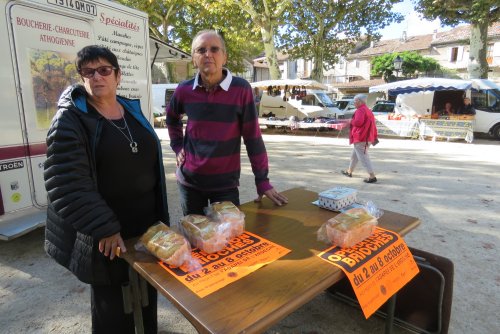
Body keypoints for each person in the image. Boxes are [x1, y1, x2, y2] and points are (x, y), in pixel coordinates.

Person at [44, 45, 169, 333]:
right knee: (112, 306)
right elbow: (65, 183)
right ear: (81, 78)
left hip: (146, 225)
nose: (97, 77)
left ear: (118, 75)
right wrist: (104, 227)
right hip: (105, 231)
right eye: (88, 72)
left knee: (148, 292)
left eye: (104, 70)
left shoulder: (131, 110)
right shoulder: (70, 120)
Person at [166, 30, 288, 215]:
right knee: (194, 239)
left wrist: (262, 180)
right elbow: (172, 118)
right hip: (189, 183)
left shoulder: (241, 89)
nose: (208, 54)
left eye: (214, 49)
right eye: (201, 50)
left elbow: (252, 138)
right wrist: (177, 146)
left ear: (224, 57)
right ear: (193, 59)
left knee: (229, 239)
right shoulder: (184, 90)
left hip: (225, 186)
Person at [341, 94, 378, 183]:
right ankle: (349, 171)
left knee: (363, 158)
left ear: (360, 101)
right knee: (354, 156)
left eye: (355, 101)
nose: (354, 102)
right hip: (366, 137)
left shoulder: (360, 110)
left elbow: (358, 122)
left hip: (361, 137)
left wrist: (350, 121)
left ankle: (372, 176)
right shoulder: (367, 110)